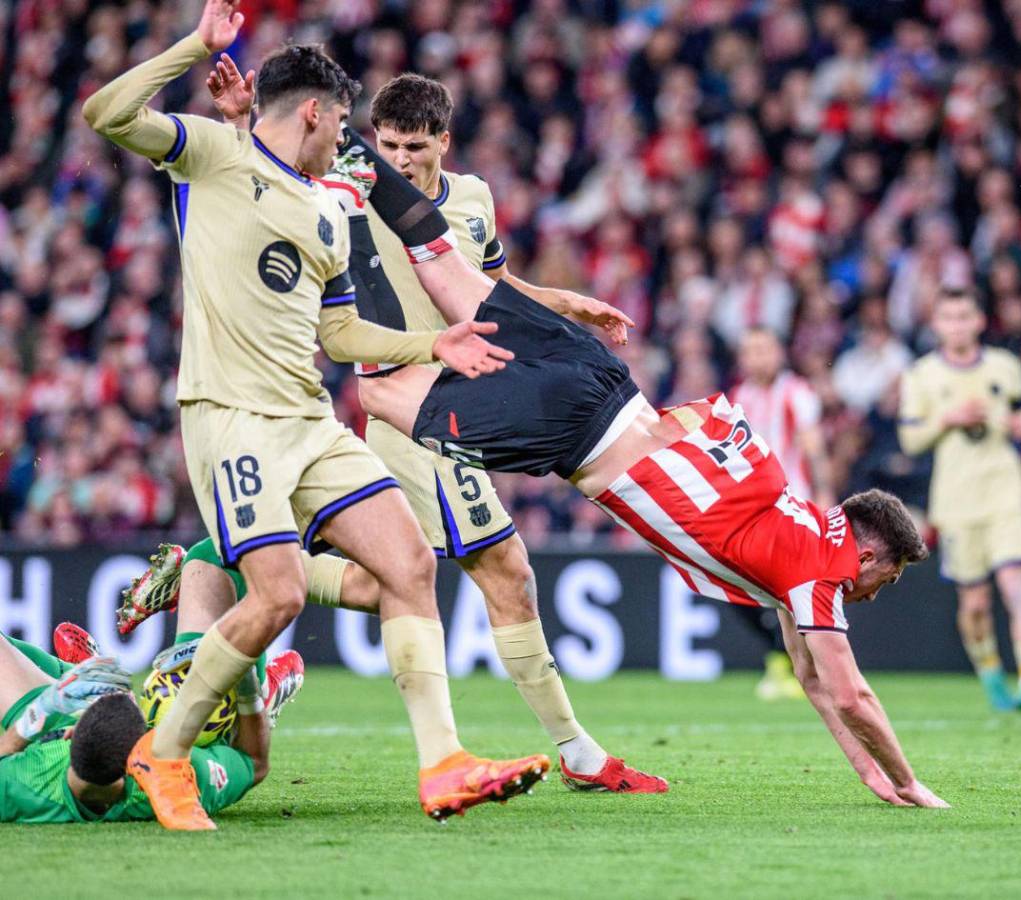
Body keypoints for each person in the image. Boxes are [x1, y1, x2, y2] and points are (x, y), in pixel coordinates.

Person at [318, 138, 949, 807]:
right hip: (571, 431)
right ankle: (345, 208)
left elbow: (813, 680)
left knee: (451, 270)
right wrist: (912, 781)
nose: (877, 592)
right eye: (887, 576)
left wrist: (870, 775)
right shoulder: (818, 575)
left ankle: (351, 151)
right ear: (869, 549)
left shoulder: (792, 517)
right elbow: (850, 691)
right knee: (380, 392)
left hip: (605, 377)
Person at [82, 0, 545, 830]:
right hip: (231, 417)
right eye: (343, 126)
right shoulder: (214, 153)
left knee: (408, 565)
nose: (349, 144)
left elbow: (336, 332)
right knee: (278, 596)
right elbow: (105, 113)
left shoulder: (328, 209)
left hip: (308, 418)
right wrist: (195, 46)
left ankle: (442, 764)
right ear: (314, 113)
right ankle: (166, 751)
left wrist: (428, 348)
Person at [205, 61, 663, 793]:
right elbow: (265, 172)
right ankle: (574, 754)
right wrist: (236, 119)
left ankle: (229, 565)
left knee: (376, 580)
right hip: (409, 408)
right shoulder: (344, 193)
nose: (397, 161)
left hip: (465, 404)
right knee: (504, 570)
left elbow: (489, 286)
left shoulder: (473, 199)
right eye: (385, 145)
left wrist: (565, 305)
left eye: (413, 147)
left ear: (443, 142)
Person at [898, 287, 1021, 711]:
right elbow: (910, 439)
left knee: (1015, 584)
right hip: (956, 498)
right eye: (949, 318)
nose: (958, 325)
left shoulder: (1005, 366)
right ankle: (991, 675)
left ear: (979, 321)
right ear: (937, 325)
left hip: (1004, 488)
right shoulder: (922, 375)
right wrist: (947, 418)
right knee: (975, 602)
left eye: (965, 316)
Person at [0, 615, 298, 823]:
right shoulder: (177, 773)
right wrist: (249, 692)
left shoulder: (25, 780)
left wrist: (42, 710)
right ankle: (264, 692)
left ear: (71, 734)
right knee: (237, 645)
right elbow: (253, 763)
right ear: (141, 754)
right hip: (214, 721)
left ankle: (83, 673)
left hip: (48, 733)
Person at [729, 327, 833, 701]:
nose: (757, 357)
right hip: (751, 510)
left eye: (763, 349)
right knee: (738, 589)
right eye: (749, 350)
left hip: (794, 506)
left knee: (793, 593)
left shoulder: (796, 392)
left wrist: (823, 498)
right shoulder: (740, 397)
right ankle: (784, 660)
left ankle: (792, 667)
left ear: (778, 353)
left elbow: (814, 448)